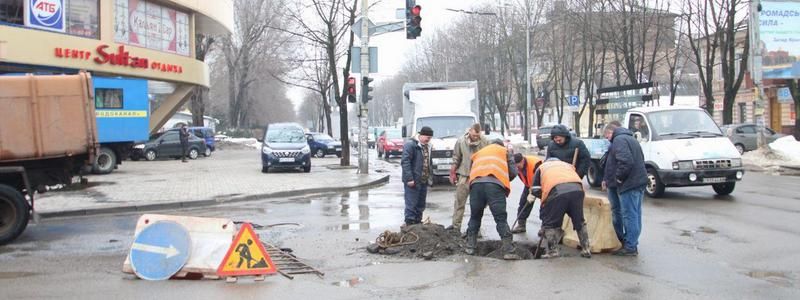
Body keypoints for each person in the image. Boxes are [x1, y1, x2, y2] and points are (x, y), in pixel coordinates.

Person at [464, 139, 519, 260]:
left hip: (476, 185)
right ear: (501, 145)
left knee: (475, 216)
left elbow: (471, 170)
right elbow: (514, 172)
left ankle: (470, 246)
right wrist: (502, 180)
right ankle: (508, 250)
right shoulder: (504, 151)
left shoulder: (479, 152)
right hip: (494, 186)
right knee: (500, 218)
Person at [602, 122, 648, 256]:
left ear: (611, 132)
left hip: (629, 184)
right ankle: (630, 243)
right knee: (634, 214)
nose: (606, 139)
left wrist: (619, 178)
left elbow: (626, 161)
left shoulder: (619, 140)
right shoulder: (629, 138)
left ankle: (630, 246)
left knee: (629, 215)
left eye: (606, 135)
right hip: (637, 182)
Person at [530, 158, 592, 258]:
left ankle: (552, 251)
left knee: (551, 223)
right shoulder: (567, 165)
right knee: (579, 221)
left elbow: (535, 190)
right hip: (578, 191)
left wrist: (544, 200)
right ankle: (586, 248)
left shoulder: (542, 167)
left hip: (557, 193)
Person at [447, 123, 490, 234]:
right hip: (464, 176)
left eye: (478, 135)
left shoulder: (485, 141)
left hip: (479, 178)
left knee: (477, 205)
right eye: (474, 135)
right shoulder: (461, 141)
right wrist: (452, 172)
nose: (476, 137)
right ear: (470, 131)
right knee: (459, 203)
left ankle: (475, 230)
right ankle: (456, 227)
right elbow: (456, 157)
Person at [401, 126, 434, 226]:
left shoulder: (428, 146)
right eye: (427, 137)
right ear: (420, 135)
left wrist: (430, 177)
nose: (428, 139)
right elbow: (405, 162)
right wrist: (409, 178)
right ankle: (410, 224)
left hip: (423, 180)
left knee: (420, 204)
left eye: (430, 137)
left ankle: (418, 223)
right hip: (413, 180)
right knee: (411, 204)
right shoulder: (411, 145)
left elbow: (429, 162)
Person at [510, 153, 543, 234]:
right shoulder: (517, 167)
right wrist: (530, 190)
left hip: (542, 184)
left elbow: (541, 178)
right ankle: (521, 225)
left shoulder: (535, 164)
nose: (517, 168)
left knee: (545, 205)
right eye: (516, 166)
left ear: (522, 161)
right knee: (523, 202)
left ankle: (545, 227)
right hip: (529, 185)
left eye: (518, 165)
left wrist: (534, 192)